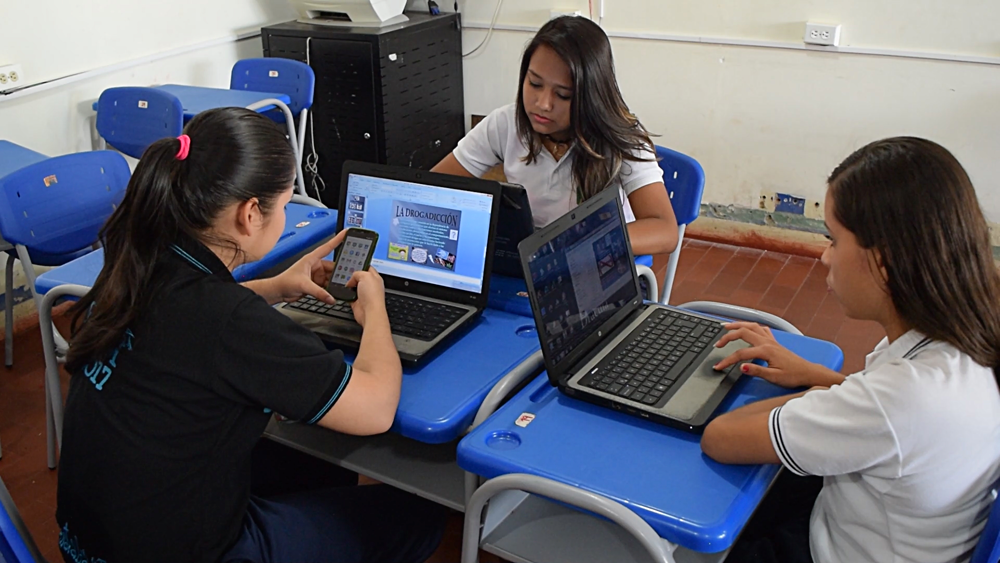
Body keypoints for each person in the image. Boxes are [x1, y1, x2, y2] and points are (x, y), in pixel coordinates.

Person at [56, 108, 446, 563]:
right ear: (250, 214)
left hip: (89, 543)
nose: (286, 215)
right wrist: (375, 309)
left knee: (308, 458)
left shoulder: (140, 265)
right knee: (416, 517)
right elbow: (376, 409)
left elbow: (190, 320)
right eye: (284, 205)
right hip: (191, 552)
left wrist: (277, 286)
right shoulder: (232, 323)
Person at [700, 137, 1000, 563]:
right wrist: (817, 376)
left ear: (883, 261)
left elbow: (720, 438)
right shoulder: (961, 338)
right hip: (866, 528)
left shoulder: (901, 398)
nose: (824, 258)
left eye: (833, 240)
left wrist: (823, 398)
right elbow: (888, 419)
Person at [432, 16, 678, 257]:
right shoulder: (506, 123)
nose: (543, 104)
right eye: (535, 84)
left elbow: (664, 230)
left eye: (563, 95)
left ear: (591, 96)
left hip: (598, 265)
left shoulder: (620, 137)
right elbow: (433, 188)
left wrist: (578, 242)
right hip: (529, 263)